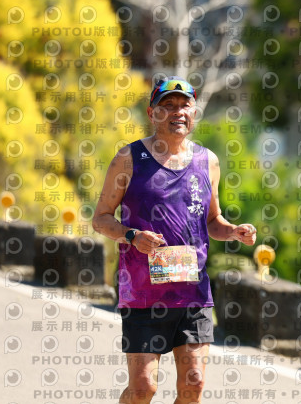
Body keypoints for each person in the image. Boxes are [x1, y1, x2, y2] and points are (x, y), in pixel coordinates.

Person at [93, 76, 256, 404]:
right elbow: (101, 219)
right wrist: (131, 236)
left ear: (194, 113)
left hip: (193, 294)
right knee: (143, 388)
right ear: (152, 113)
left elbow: (212, 220)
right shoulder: (128, 159)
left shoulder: (208, 161)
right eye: (167, 106)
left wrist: (232, 230)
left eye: (184, 106)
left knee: (194, 385)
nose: (177, 112)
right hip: (143, 294)